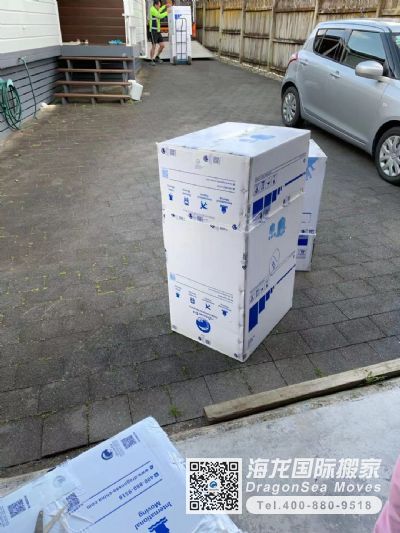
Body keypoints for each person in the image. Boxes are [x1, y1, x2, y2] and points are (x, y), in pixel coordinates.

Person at [148, 0, 170, 65]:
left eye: (160, 6)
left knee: (162, 45)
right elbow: (159, 16)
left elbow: (160, 10)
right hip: (153, 31)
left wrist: (165, 6)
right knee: (154, 46)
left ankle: (157, 57)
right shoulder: (152, 9)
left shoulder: (156, 9)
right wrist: (167, 12)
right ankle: (151, 60)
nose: (159, 7)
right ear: (155, 5)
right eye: (159, 6)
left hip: (157, 31)